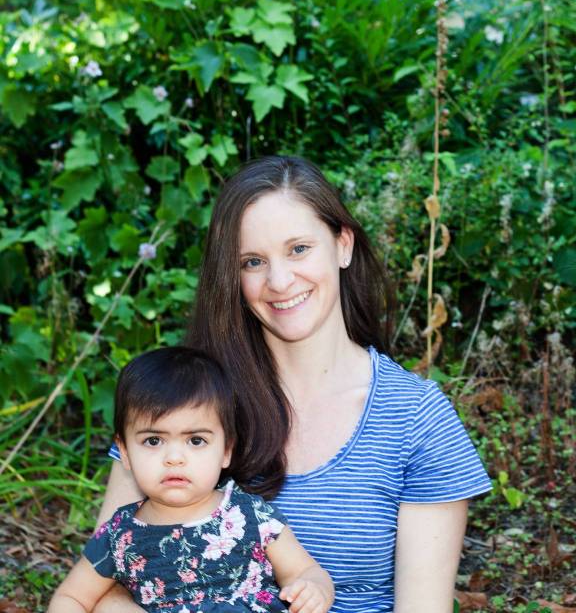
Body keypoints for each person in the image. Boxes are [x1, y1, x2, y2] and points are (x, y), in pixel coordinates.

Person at [93, 156, 493, 613]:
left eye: (298, 249)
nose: (279, 281)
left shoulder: (415, 417)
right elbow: (103, 587)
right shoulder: (185, 401)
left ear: (343, 245)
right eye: (253, 261)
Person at [49, 347, 334, 613]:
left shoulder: (250, 515)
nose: (174, 457)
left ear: (226, 451)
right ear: (124, 451)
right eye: (153, 440)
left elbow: (304, 571)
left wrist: (313, 588)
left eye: (196, 440)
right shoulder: (118, 534)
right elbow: (72, 597)